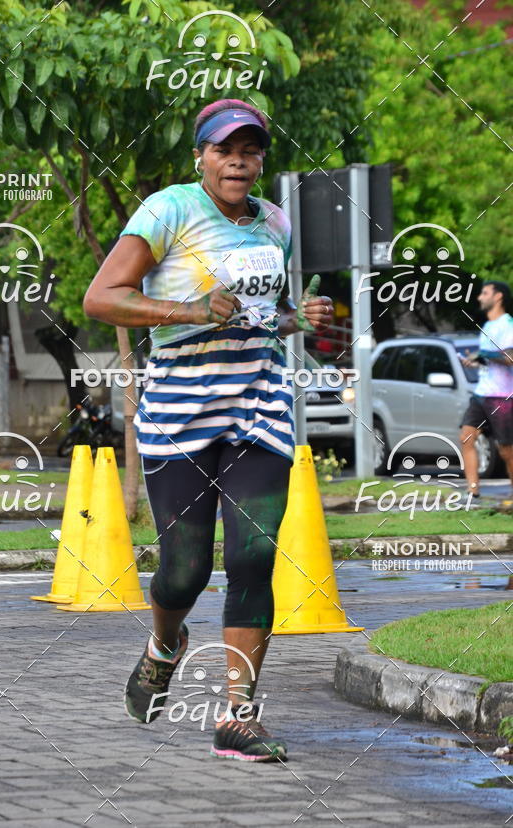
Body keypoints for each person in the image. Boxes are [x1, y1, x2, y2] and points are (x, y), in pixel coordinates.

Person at [83, 99, 333, 762]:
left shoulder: (275, 223)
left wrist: (298, 317)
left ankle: (239, 716)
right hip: (179, 415)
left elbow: (264, 316)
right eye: (226, 150)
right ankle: (166, 643)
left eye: (250, 150)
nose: (239, 161)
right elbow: (102, 297)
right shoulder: (168, 210)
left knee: (252, 556)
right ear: (202, 155)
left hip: (259, 406)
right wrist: (188, 308)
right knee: (183, 573)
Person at [459, 280, 513, 498]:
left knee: (506, 451)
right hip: (482, 393)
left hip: (502, 397)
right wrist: (476, 362)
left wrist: (483, 355)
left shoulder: (507, 325)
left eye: (484, 293)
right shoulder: (488, 327)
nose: (480, 297)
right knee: (466, 437)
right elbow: (492, 359)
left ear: (498, 297)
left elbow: (509, 357)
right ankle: (473, 492)